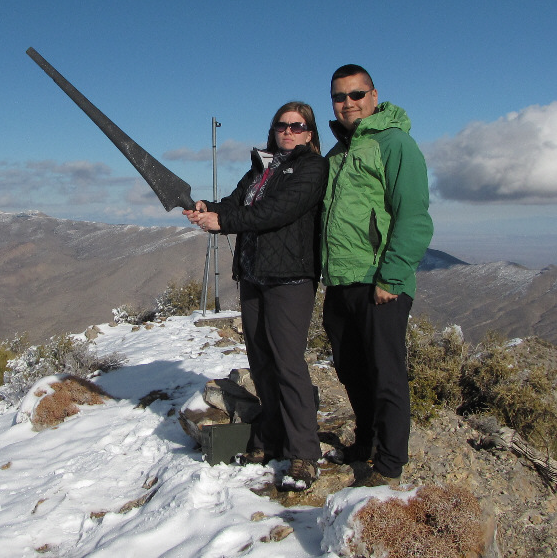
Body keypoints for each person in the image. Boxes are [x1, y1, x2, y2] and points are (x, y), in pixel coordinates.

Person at [184, 101, 328, 491]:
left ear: (310, 132)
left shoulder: (313, 168)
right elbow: (236, 203)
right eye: (282, 125)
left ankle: (304, 454)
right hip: (252, 274)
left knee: (287, 363)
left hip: (290, 279)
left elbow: (277, 212)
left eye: (297, 126)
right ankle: (271, 437)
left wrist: (224, 221)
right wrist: (208, 208)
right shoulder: (262, 167)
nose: (288, 131)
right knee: (261, 360)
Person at [320, 64, 433, 486]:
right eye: (339, 97)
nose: (347, 103)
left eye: (356, 94)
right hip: (341, 281)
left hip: (379, 282)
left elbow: (415, 218)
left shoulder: (396, 144)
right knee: (351, 370)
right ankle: (365, 443)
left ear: (373, 95)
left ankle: (388, 465)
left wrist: (392, 276)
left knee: (386, 373)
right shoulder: (338, 153)